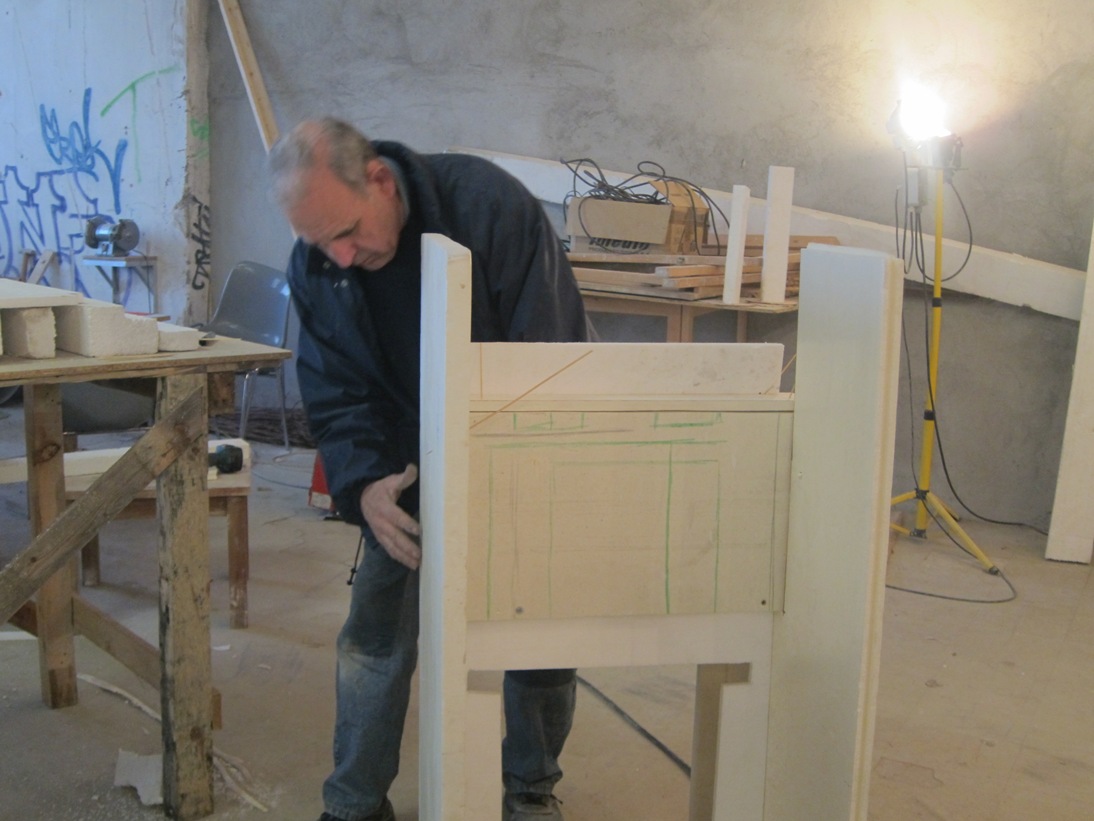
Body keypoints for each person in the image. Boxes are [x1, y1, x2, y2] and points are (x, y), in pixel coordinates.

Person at [268, 118, 593, 821]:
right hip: (402, 460)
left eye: (346, 231)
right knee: (374, 636)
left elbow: (550, 353)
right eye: (321, 242)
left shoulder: (487, 206)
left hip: (518, 448)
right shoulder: (319, 262)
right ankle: (354, 803)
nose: (341, 257)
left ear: (380, 180)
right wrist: (364, 485)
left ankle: (530, 791)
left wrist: (515, 481)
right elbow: (336, 392)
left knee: (541, 632)